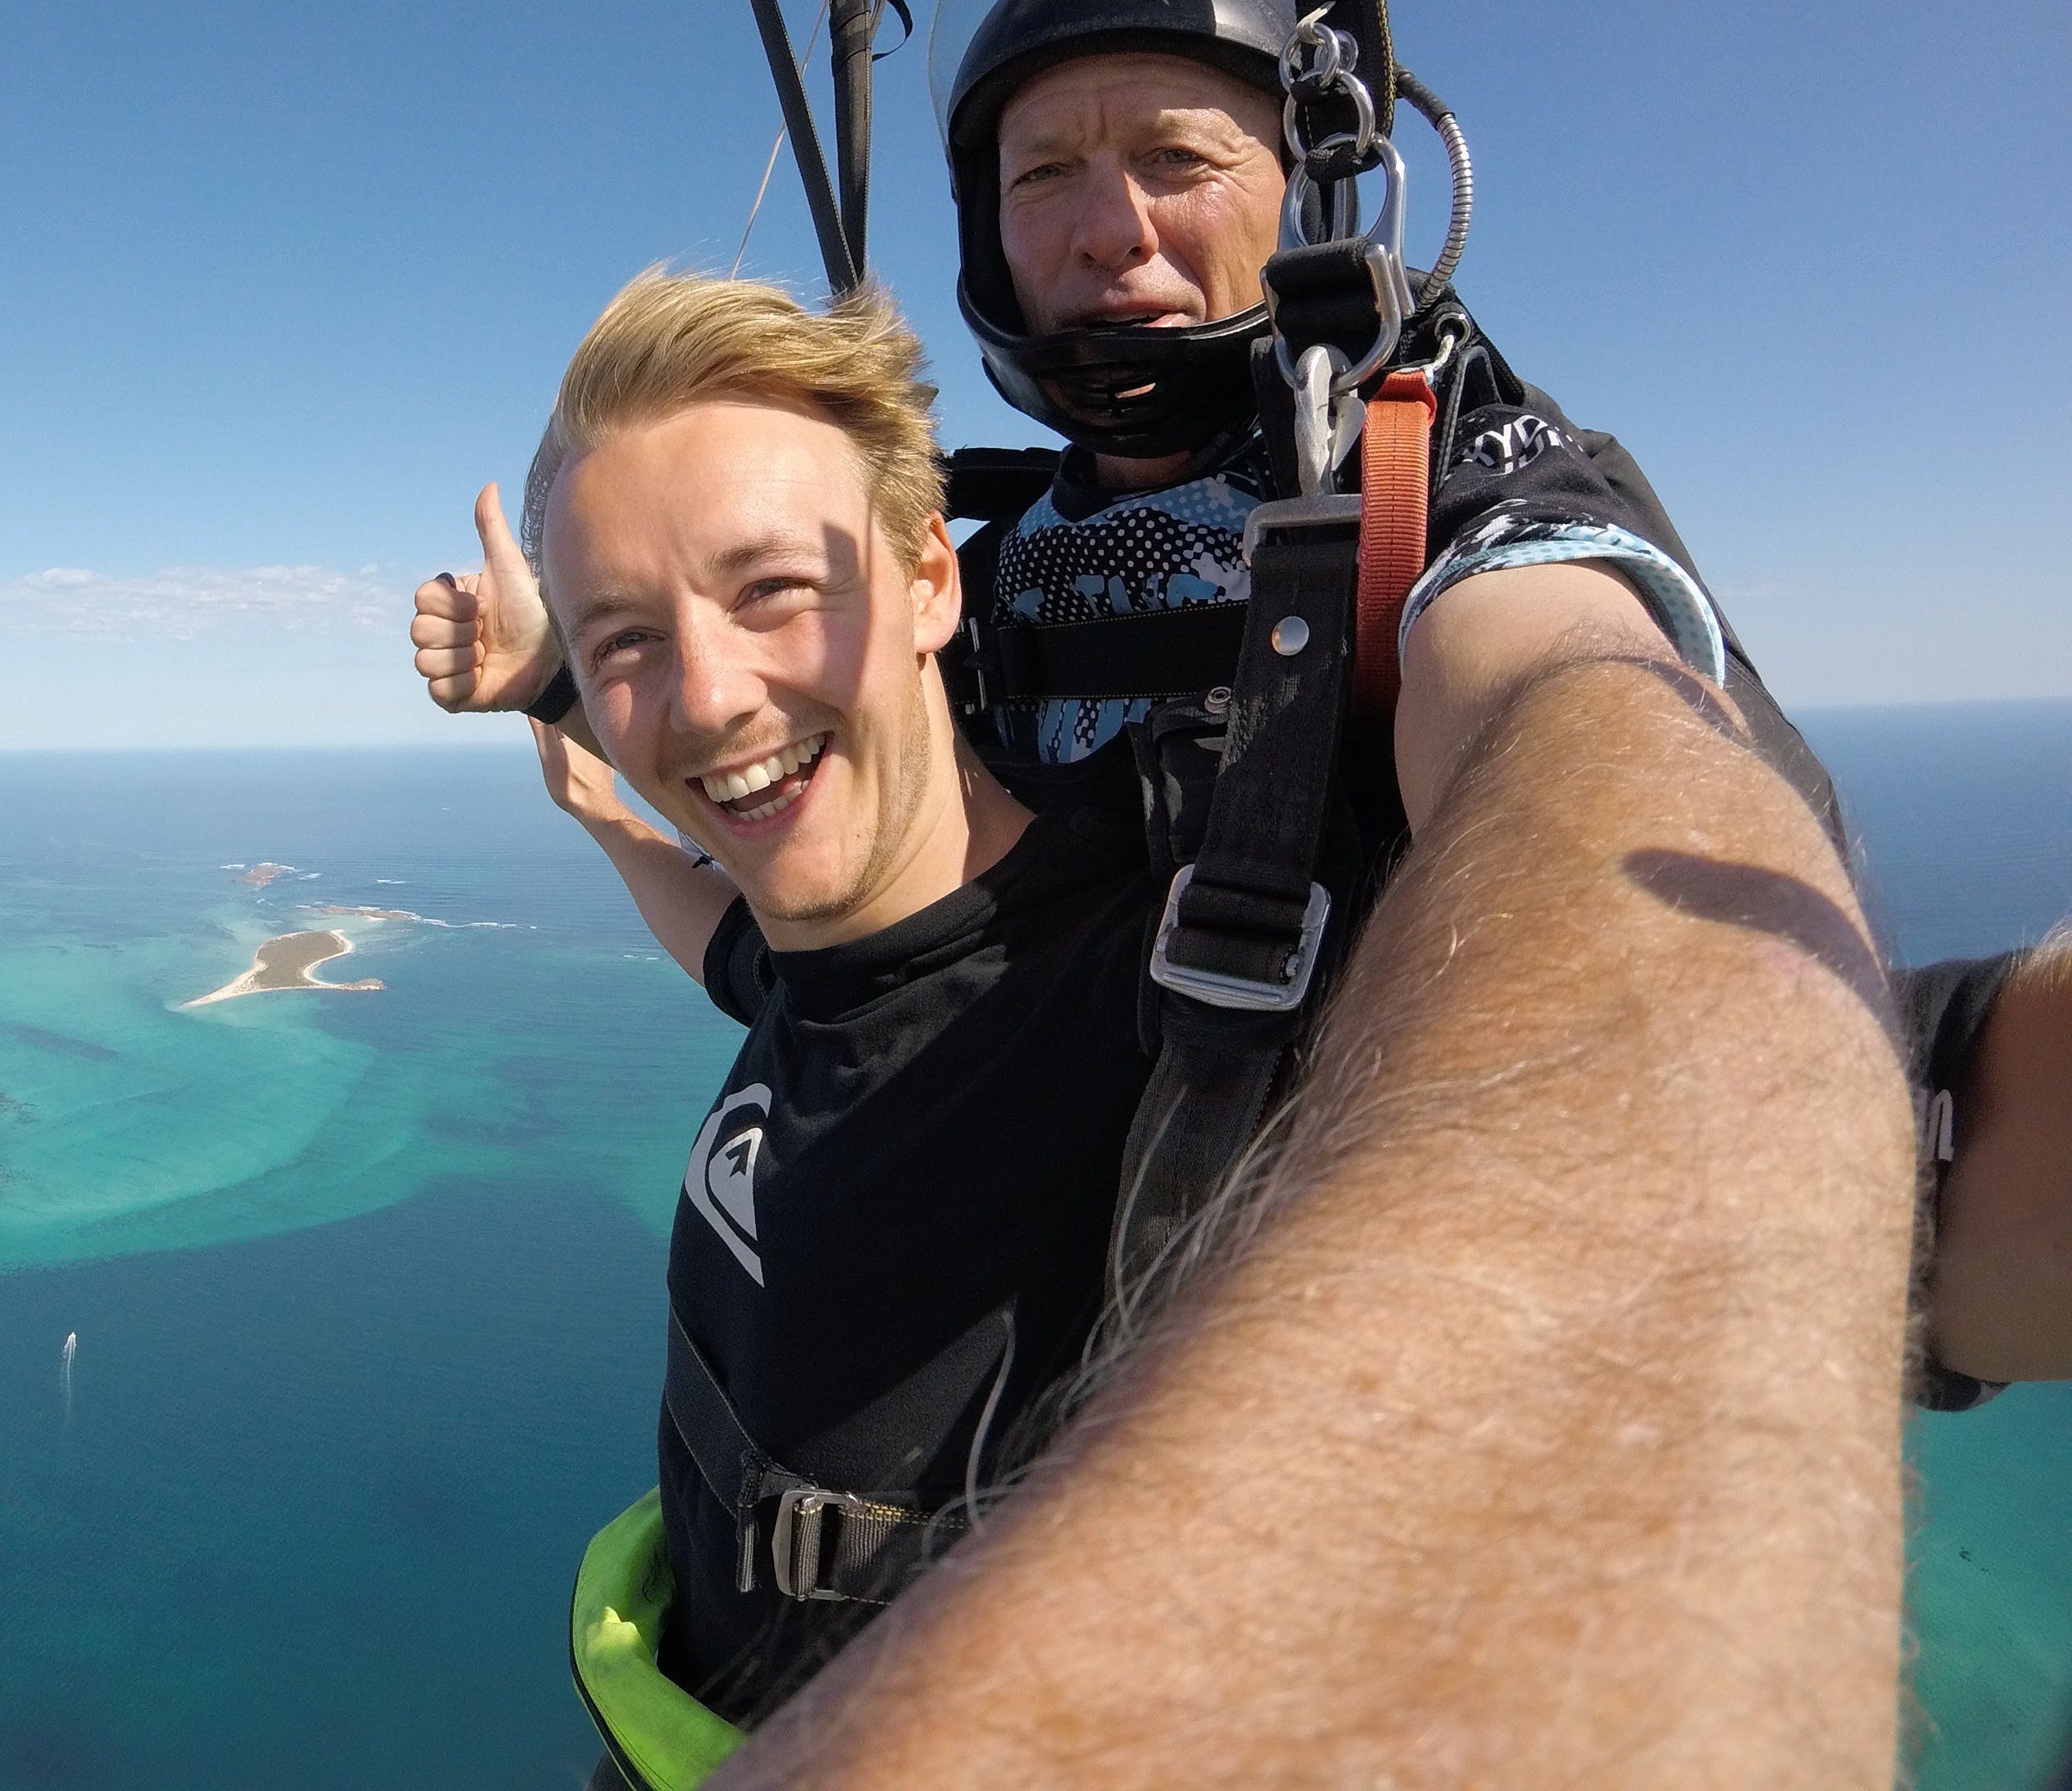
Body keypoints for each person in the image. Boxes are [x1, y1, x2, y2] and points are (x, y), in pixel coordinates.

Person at [413, 267, 1916, 1784]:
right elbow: (741, 946)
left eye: (771, 591)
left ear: (935, 578)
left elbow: (1853, 1124)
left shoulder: (1194, 974)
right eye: (632, 645)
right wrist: (581, 751)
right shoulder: (835, 947)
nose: (710, 699)